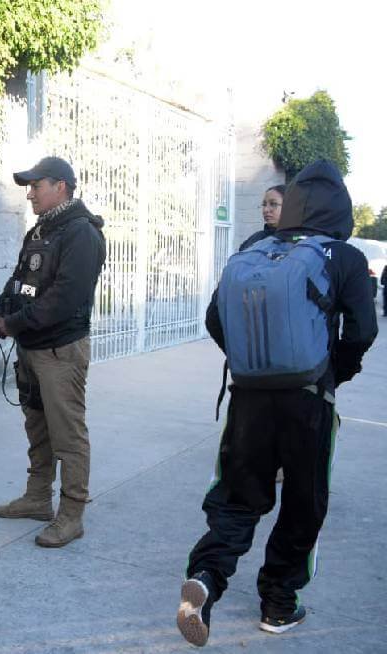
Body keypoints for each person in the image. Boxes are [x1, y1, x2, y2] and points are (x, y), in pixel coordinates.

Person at [176, 161, 378, 646]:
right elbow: (363, 330)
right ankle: (279, 605)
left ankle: (205, 578)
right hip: (308, 401)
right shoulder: (343, 257)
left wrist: (250, 364)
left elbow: (214, 318)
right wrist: (335, 372)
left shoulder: (253, 249)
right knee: (303, 503)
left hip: (248, 399)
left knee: (236, 498)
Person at [0, 156, 106, 548]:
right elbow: (19, 279)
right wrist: (1, 311)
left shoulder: (82, 234)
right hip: (31, 348)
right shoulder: (39, 231)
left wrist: (16, 323)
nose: (29, 194)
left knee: (67, 433)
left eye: (35, 185)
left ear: (60, 186)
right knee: (37, 426)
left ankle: (71, 515)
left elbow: (64, 298)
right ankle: (38, 497)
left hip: (60, 350)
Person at [239, 185, 287, 251]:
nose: (266, 210)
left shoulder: (298, 241)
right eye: (264, 205)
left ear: (288, 206)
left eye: (273, 204)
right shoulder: (254, 239)